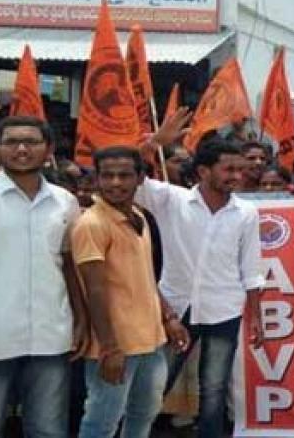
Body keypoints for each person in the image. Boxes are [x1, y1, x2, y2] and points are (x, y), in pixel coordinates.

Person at [0, 116, 87, 438]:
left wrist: (80, 320)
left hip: (53, 336)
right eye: (11, 142)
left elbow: (69, 267)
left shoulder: (65, 201)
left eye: (32, 142)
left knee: (48, 429)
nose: (21, 149)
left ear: (48, 149)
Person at [138, 116, 266, 438]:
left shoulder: (246, 213)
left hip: (224, 309)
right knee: (155, 383)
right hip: (173, 309)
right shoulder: (171, 200)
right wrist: (153, 144)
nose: (237, 176)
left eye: (240, 170)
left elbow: (250, 270)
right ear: (203, 171)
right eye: (229, 169)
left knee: (214, 388)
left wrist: (256, 319)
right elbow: (130, 177)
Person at [71, 146, 190, 438]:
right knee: (102, 422)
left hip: (151, 340)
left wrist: (168, 316)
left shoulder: (139, 215)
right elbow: (94, 290)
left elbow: (146, 278)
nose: (115, 183)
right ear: (96, 179)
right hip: (115, 346)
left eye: (124, 175)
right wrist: (110, 348)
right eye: (107, 176)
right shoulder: (91, 224)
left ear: (140, 179)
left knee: (144, 414)